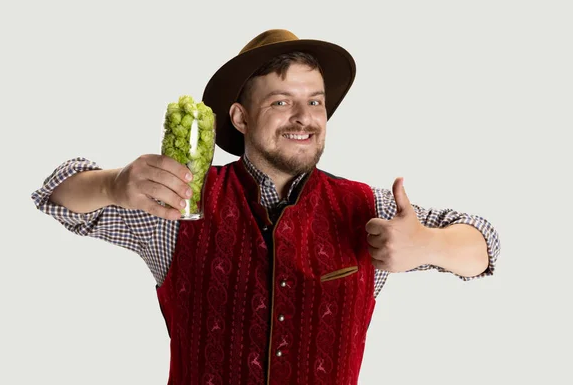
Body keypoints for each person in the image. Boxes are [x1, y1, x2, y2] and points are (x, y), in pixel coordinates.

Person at [31, 29, 501, 385]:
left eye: (314, 101)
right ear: (240, 117)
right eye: (281, 101)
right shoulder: (178, 204)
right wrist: (113, 184)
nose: (304, 117)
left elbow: (486, 245)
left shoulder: (368, 209)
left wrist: (429, 244)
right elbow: (57, 196)